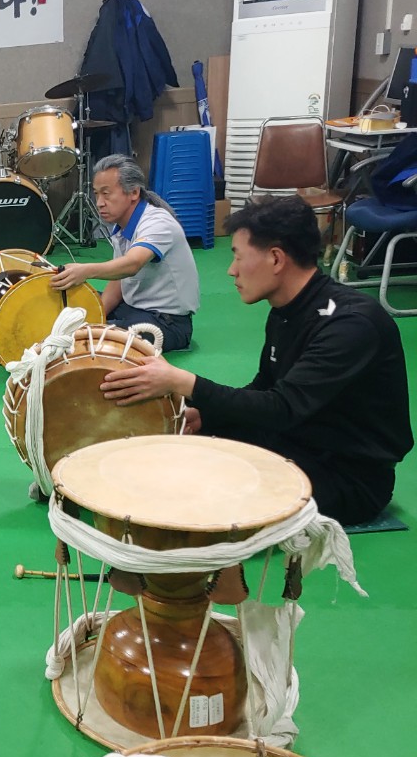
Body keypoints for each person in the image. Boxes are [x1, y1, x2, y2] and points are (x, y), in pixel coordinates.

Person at [101, 196, 412, 528]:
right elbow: (264, 388)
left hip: (347, 476)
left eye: (238, 256)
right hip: (295, 441)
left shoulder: (349, 325)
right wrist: (206, 417)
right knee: (171, 455)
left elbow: (282, 408)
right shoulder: (287, 310)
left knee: (191, 489)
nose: (231, 270)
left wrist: (182, 382)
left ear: (276, 258)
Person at [51, 154, 200, 351]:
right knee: (72, 304)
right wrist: (95, 316)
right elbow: (120, 281)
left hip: (168, 323)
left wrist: (85, 270)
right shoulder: (122, 226)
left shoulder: (157, 222)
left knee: (86, 340)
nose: (99, 202)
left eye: (106, 194)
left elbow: (132, 264)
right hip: (133, 308)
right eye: (96, 194)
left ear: (134, 192)